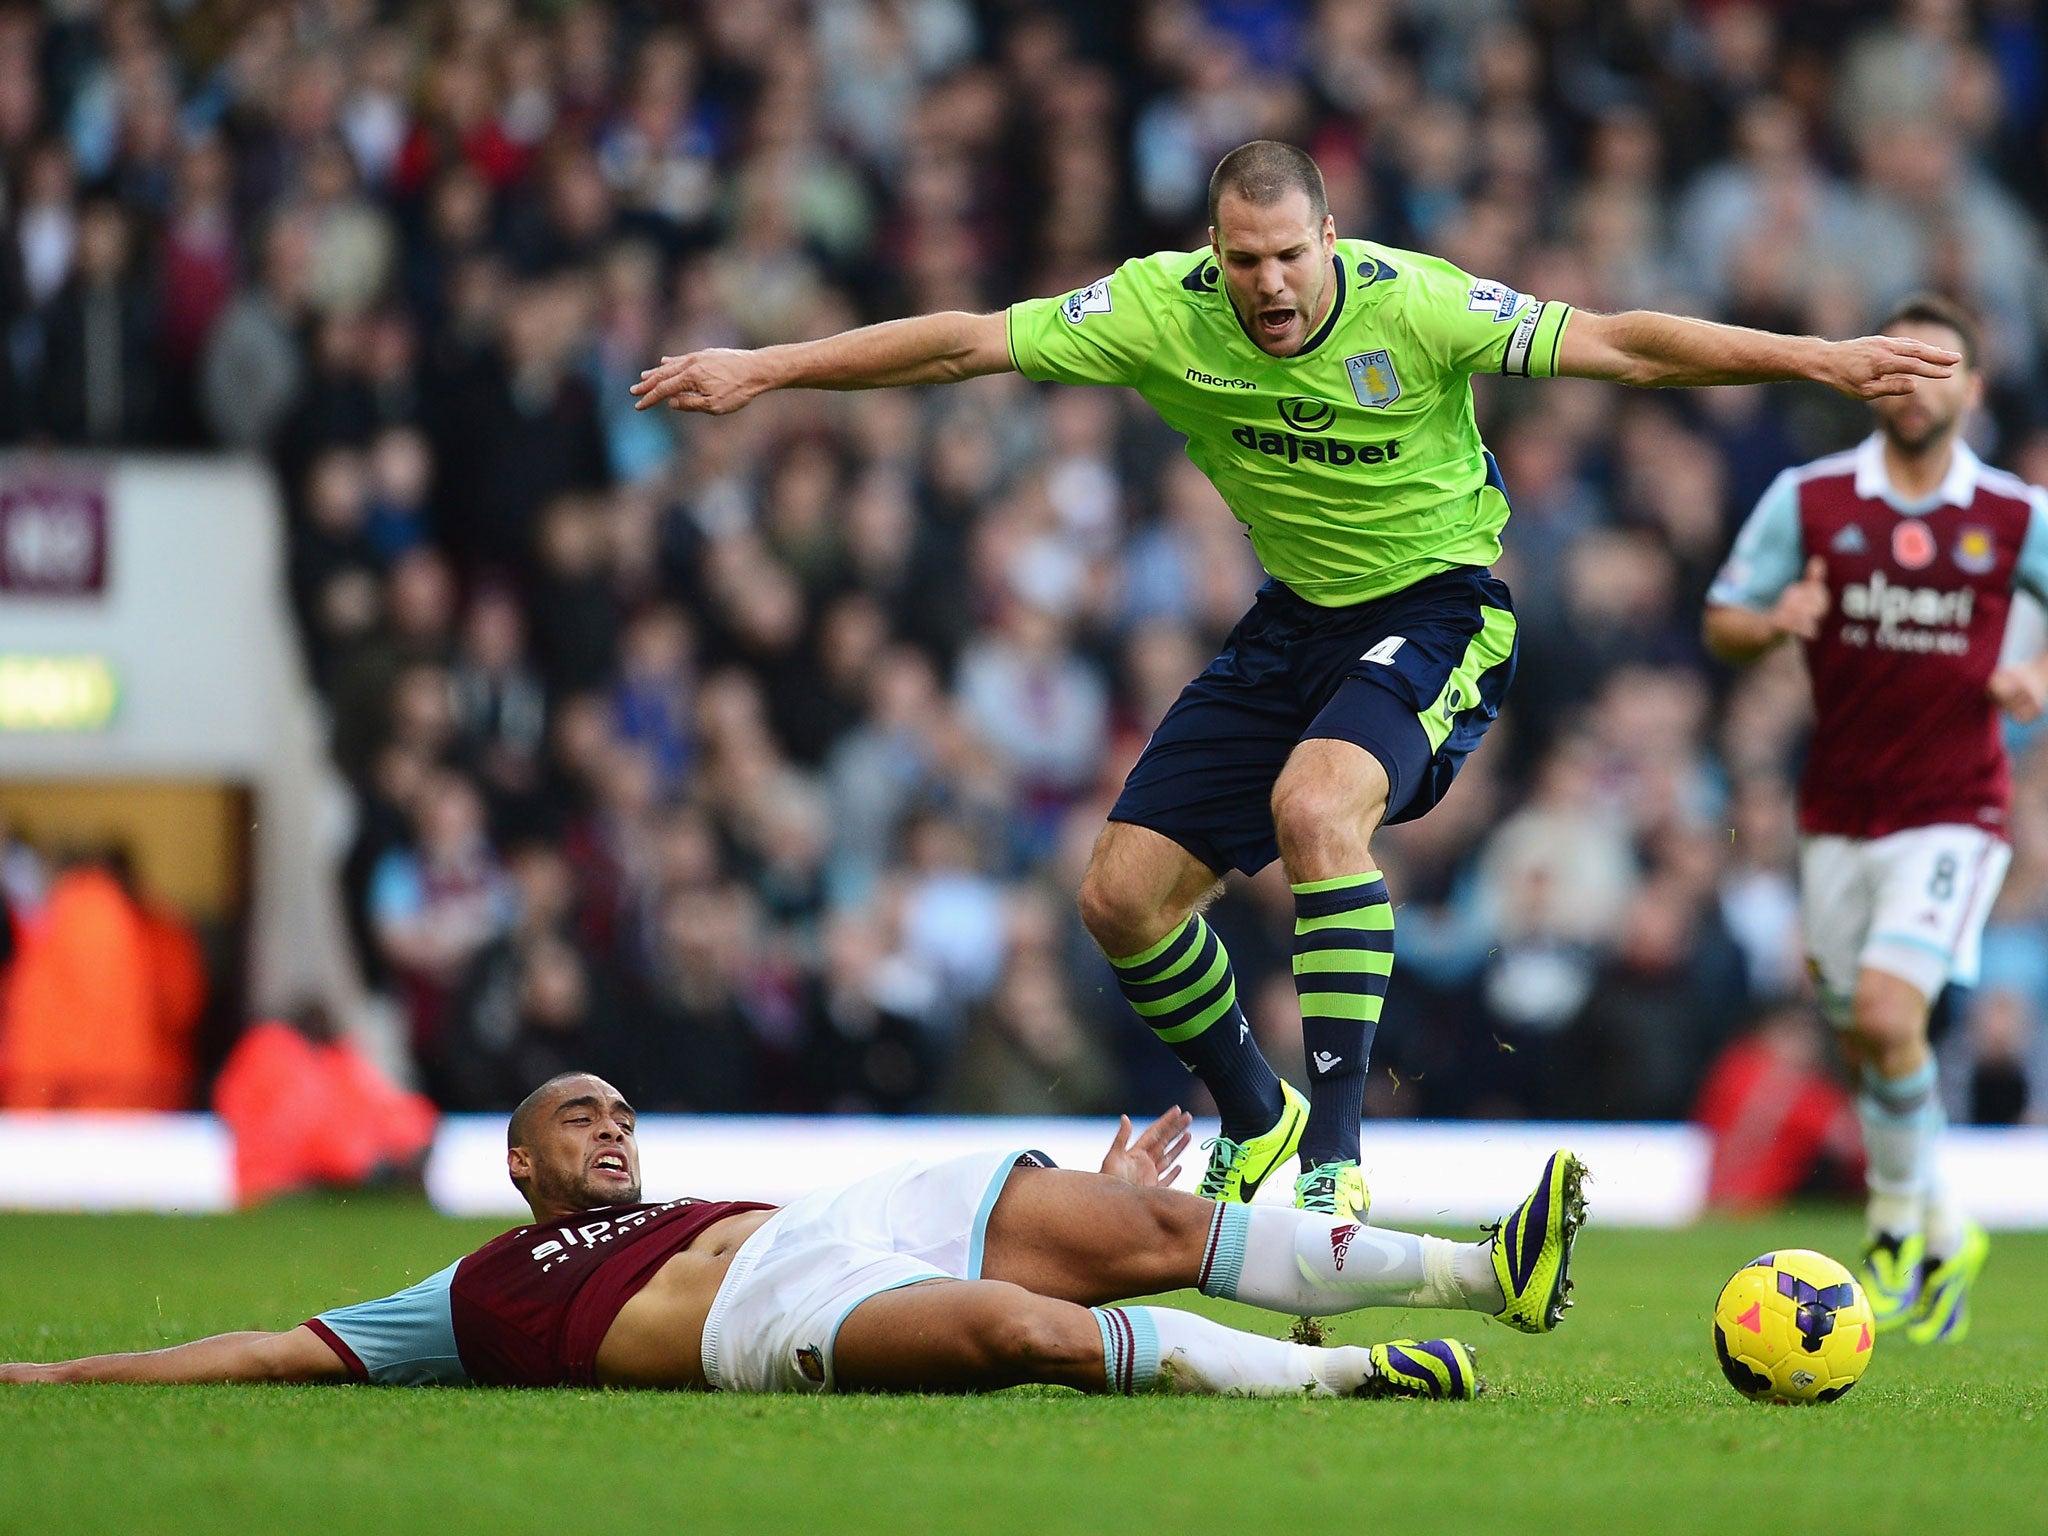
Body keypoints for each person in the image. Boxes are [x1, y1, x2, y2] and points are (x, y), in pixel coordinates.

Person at [632, 139, 1955, 1220]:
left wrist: (1820, 359)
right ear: (1214, 253)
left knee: (1317, 810)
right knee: (1118, 900)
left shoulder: (1416, 303)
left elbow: (1622, 345)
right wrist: (768, 368)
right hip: (1290, 625)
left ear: (1330, 238)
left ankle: (1335, 1149)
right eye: (1242, 260)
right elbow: (963, 345)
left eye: (1287, 256)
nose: (1267, 285)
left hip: (1437, 610)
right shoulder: (1157, 309)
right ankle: (1253, 1115)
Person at [0, 1073, 1586, 1399]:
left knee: (1158, 1217)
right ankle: (1342, 1377)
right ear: (517, 1160)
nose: (612, 1129)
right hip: (762, 1321)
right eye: (579, 1119)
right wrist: (62, 1382)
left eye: (621, 1114)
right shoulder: (472, 1294)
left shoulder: (680, 1199)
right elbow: (276, 1352)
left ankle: (1481, 1268)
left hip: (830, 1219)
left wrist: (1086, 1206)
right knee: (1020, 1336)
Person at [1703, 294, 2048, 1344]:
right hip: (1836, 810)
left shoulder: (2014, 516)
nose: (1916, 385)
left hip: (1954, 807)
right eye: (1899, 365)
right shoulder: (1809, 500)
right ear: (1871, 378)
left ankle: (1892, 1233)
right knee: (1862, 1035)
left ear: (1974, 388)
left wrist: (2035, 674)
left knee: (1894, 1017)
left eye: (1939, 367)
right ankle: (1943, 1225)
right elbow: (1721, 622)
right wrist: (1774, 621)